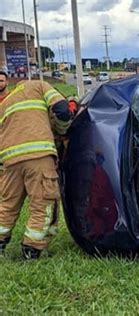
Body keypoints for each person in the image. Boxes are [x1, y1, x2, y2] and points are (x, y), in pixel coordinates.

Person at [0, 71, 72, 259]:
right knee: (43, 202)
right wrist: (63, 130)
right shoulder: (40, 86)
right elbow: (62, 110)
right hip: (38, 157)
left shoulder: (7, 102)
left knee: (7, 205)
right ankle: (32, 249)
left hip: (10, 161)